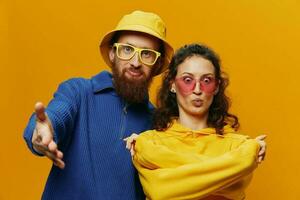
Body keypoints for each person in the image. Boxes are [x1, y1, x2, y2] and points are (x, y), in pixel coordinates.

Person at [23, 10, 173, 200]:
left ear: (158, 64)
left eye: (147, 54)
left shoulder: (157, 123)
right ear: (112, 53)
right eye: (127, 49)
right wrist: (42, 131)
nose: (135, 62)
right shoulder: (79, 92)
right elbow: (56, 114)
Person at [125, 44, 266, 200]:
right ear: (172, 84)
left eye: (206, 80)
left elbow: (237, 187)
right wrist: (245, 157)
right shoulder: (150, 142)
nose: (197, 89)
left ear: (217, 87)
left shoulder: (236, 144)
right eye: (187, 80)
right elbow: (160, 192)